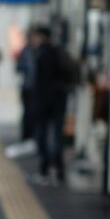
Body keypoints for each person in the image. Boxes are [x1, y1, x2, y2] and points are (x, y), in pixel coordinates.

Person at [29, 25, 73, 185]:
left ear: (42, 37)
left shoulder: (42, 54)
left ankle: (45, 170)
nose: (32, 40)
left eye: (35, 36)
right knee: (57, 136)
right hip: (59, 100)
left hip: (44, 103)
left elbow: (41, 82)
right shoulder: (59, 52)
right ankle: (59, 172)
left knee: (43, 137)